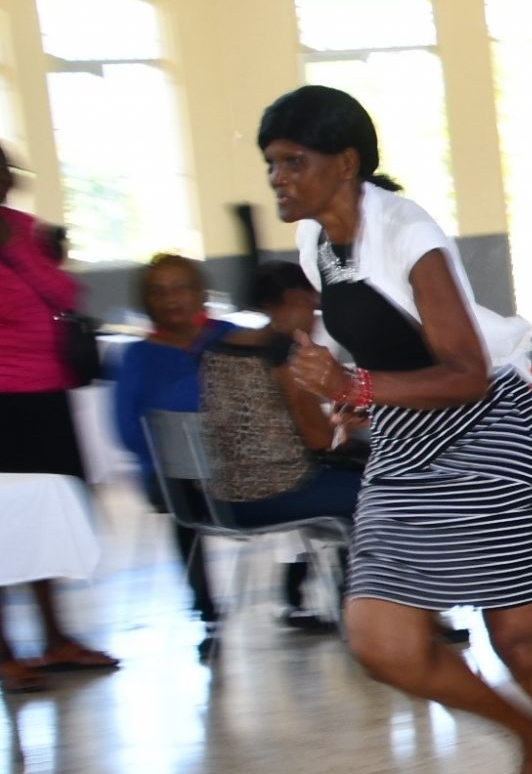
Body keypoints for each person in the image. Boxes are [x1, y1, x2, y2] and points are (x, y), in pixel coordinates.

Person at [261, 83, 532, 774]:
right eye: (272, 165)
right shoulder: (316, 246)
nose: (279, 179)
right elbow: (382, 350)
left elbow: (465, 372)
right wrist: (349, 400)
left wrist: (352, 389)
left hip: (485, 428)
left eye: (294, 161)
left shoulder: (407, 233)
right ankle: (531, 734)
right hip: (403, 432)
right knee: (379, 639)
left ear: (347, 162)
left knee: (519, 636)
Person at [0, 147, 119, 691]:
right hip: (4, 400)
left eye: (6, 173)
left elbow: (64, 293)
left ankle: (54, 636)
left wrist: (30, 253)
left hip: (47, 395)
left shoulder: (26, 231)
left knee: (44, 519)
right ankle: (3, 650)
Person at [200, 261, 365, 630]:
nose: (316, 317)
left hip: (224, 497)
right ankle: (375, 611)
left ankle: (332, 599)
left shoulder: (216, 350)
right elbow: (319, 439)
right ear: (292, 301)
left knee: (347, 486)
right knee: (377, 491)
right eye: (312, 305)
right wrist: (348, 425)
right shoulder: (285, 356)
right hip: (273, 494)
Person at [113, 253, 235, 656]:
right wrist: (177, 453)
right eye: (159, 291)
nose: (171, 299)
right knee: (185, 498)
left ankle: (308, 592)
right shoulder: (137, 356)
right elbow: (128, 429)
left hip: (241, 466)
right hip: (172, 474)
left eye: (180, 287)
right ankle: (207, 614)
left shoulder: (231, 338)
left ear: (200, 293)